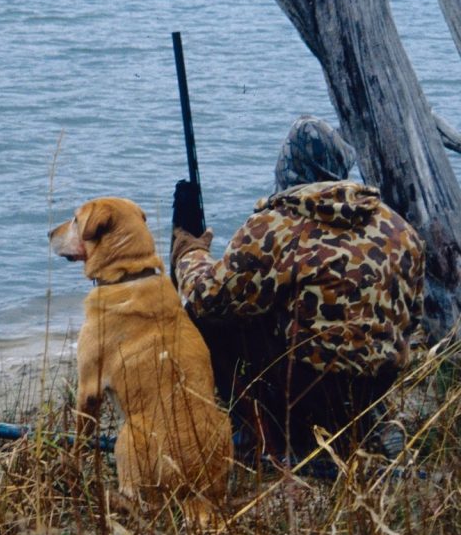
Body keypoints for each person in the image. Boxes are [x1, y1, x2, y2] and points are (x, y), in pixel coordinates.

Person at [170, 116, 425, 461]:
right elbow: (414, 318)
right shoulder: (399, 228)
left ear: (287, 167)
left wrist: (189, 250)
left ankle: (264, 438)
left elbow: (208, 299)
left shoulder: (274, 225)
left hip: (307, 387)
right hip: (378, 381)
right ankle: (364, 423)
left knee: (207, 320)